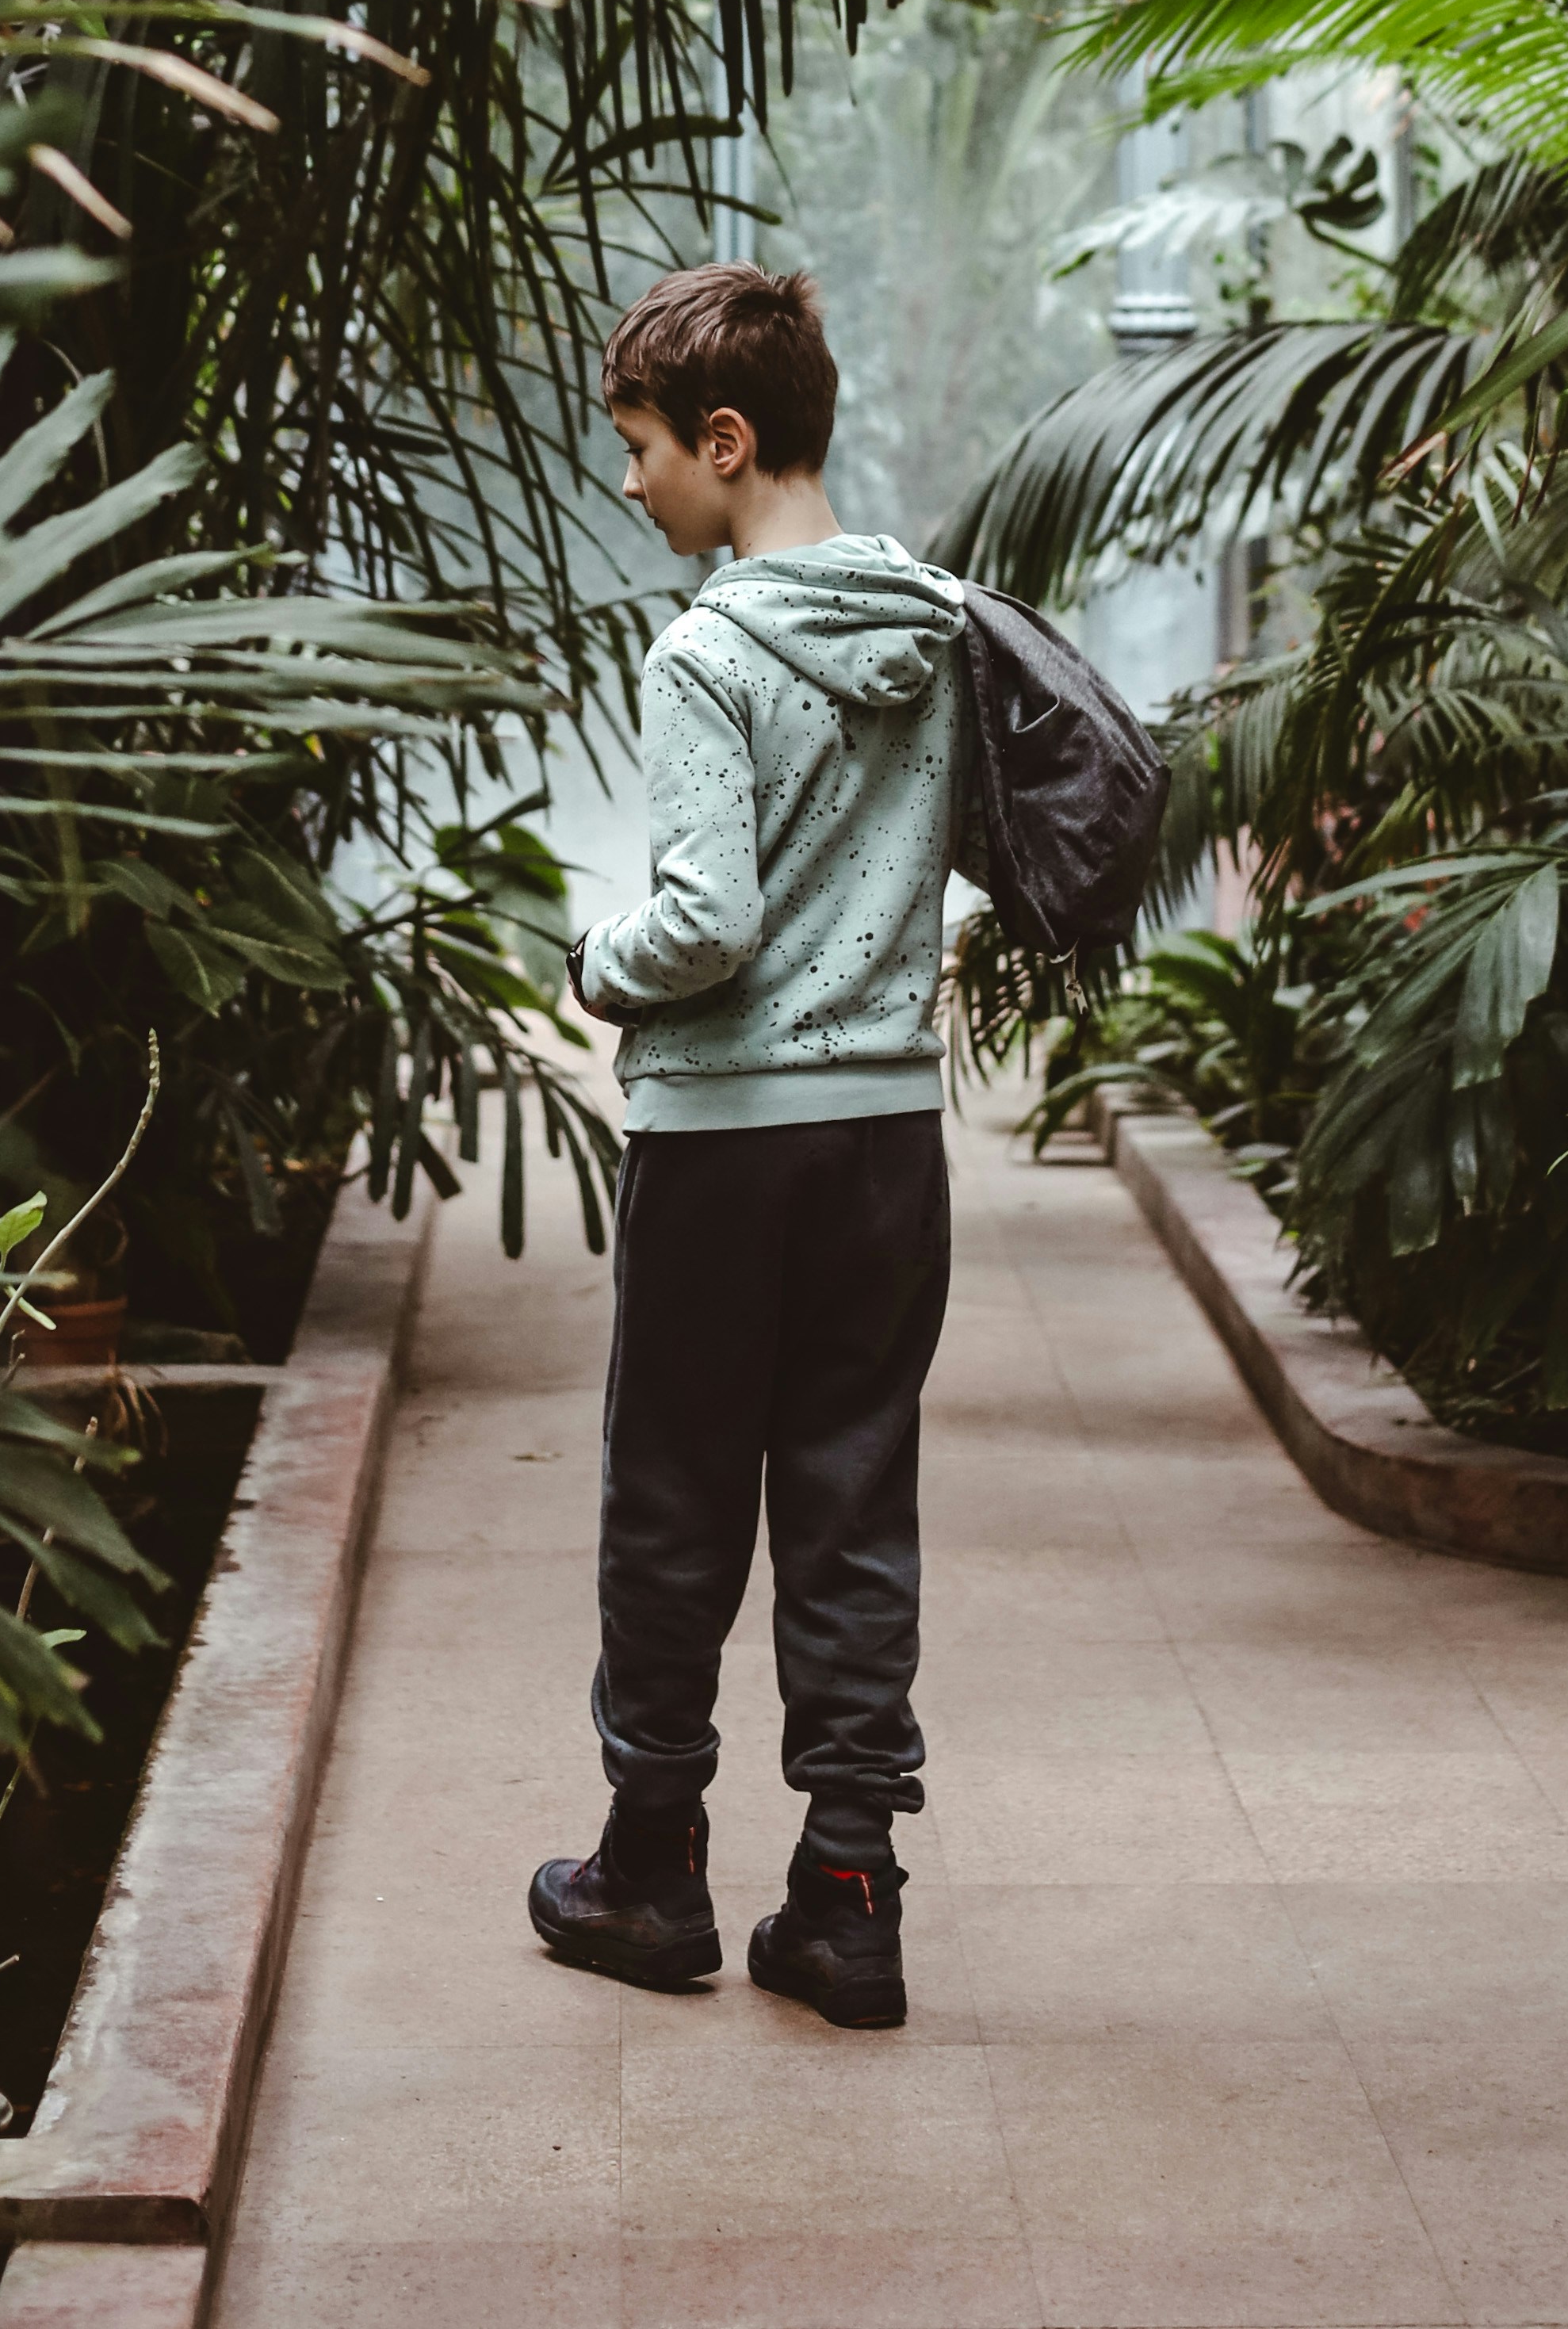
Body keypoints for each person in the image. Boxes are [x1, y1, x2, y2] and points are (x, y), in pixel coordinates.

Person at [528, 261, 964, 2035]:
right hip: (886, 1141)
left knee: (675, 1491)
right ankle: (847, 1894)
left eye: (641, 448)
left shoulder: (710, 646)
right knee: (854, 1492)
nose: (633, 484)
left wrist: (588, 965)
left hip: (725, 1144)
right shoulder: (936, 621)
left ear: (726, 439)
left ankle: (652, 1865)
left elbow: (700, 919)